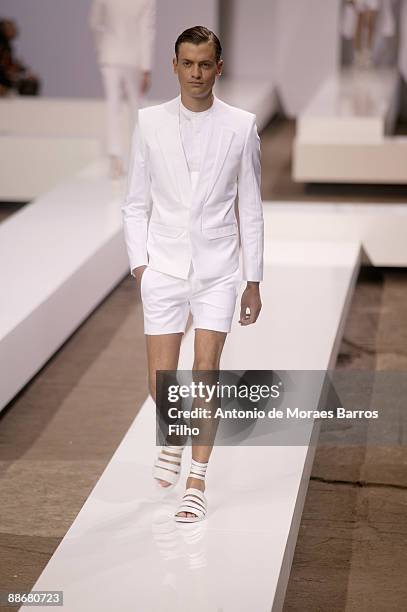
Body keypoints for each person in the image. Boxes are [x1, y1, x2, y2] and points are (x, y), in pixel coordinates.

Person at [121, 26, 264, 522]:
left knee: (205, 373)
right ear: (174, 66)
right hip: (161, 267)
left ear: (218, 68)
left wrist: (253, 279)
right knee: (161, 381)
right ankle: (174, 436)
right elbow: (135, 203)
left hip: (218, 270)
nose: (197, 73)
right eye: (188, 64)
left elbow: (251, 206)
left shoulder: (242, 127)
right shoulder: (148, 123)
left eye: (206, 64)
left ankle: (196, 480)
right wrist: (140, 266)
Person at [89, 0, 156, 178]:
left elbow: (95, 23)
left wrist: (100, 47)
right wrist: (146, 67)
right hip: (134, 57)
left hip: (109, 54)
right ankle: (140, 157)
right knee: (137, 106)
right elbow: (146, 30)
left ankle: (115, 157)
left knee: (113, 106)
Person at [0, 19, 40, 97]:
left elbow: (8, 65)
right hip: (3, 82)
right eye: (11, 28)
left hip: (5, 81)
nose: (15, 31)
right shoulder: (3, 45)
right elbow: (6, 66)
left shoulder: (6, 45)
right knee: (30, 84)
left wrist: (20, 69)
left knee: (31, 82)